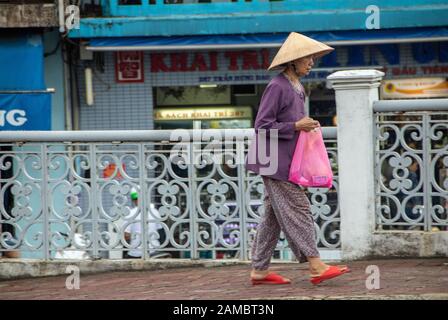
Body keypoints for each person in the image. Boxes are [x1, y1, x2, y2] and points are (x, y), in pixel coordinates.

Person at [245, 32, 349, 285]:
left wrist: (304, 125)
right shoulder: (277, 86)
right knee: (298, 209)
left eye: (313, 58)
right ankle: (315, 265)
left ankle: (259, 271)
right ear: (293, 61)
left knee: (272, 218)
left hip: (285, 161)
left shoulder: (297, 87)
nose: (312, 62)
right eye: (308, 58)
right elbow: (262, 126)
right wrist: (295, 125)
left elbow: (291, 123)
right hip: (275, 163)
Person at [123, 188, 171, 259]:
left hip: (136, 253)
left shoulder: (130, 213)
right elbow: (161, 233)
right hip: (155, 250)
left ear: (133, 200)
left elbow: (125, 236)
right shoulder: (155, 212)